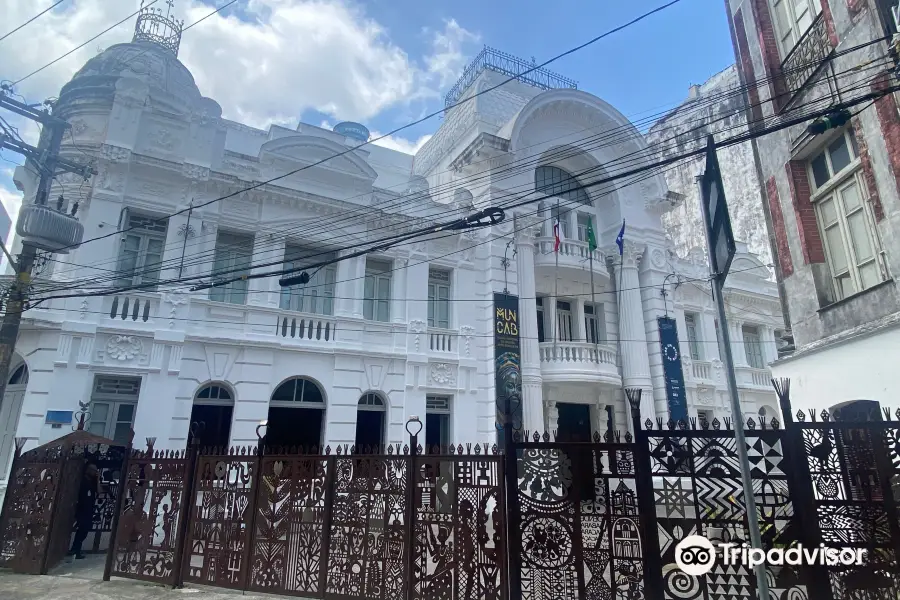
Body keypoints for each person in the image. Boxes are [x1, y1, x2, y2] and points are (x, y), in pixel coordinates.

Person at [69, 462, 101, 559]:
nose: (94, 472)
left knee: (84, 530)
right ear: (88, 470)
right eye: (93, 470)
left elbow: (99, 491)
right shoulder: (82, 481)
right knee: (82, 530)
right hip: (81, 508)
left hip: (89, 509)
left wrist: (98, 479)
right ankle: (75, 550)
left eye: (95, 471)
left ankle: (75, 549)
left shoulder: (92, 482)